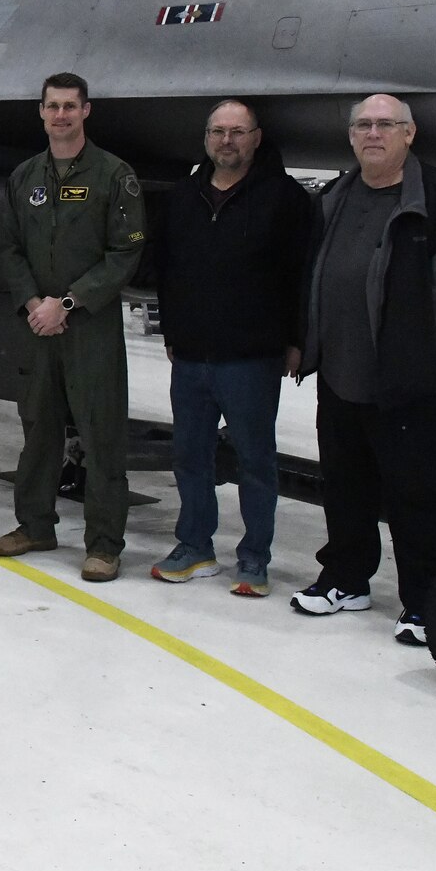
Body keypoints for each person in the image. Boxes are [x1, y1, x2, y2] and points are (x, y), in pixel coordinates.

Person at [293, 94, 436, 646]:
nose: (373, 133)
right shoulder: (335, 197)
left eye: (385, 124)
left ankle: (424, 601)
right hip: (342, 376)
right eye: (363, 125)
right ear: (351, 137)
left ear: (409, 134)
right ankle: (347, 579)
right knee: (344, 487)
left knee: (418, 493)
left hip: (415, 384)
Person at [149, 99, 313, 597]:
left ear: (256, 138)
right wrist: (172, 332)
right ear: (206, 139)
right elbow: (167, 271)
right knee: (190, 455)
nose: (227, 141)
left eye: (237, 132)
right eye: (218, 132)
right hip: (192, 355)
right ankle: (195, 546)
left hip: (252, 357)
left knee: (255, 460)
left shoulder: (285, 200)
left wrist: (297, 342)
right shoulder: (184, 197)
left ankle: (254, 558)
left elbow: (302, 277)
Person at [0, 73, 147, 582]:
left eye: (70, 107)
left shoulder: (113, 175)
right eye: (52, 106)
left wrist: (69, 303)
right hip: (38, 325)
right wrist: (36, 303)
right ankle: (35, 526)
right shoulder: (24, 177)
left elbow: (125, 252)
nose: (61, 115)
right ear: (41, 112)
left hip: (90, 329)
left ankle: (103, 544)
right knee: (38, 429)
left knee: (101, 436)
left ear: (86, 111)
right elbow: (9, 248)